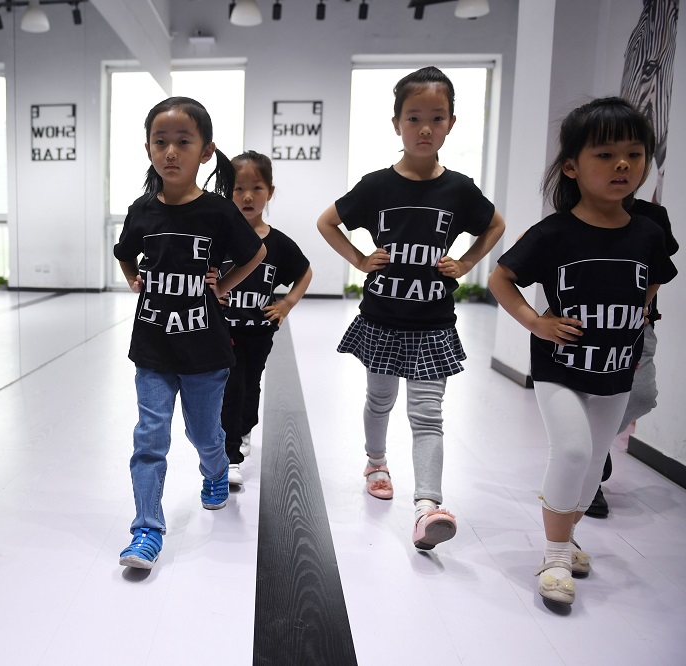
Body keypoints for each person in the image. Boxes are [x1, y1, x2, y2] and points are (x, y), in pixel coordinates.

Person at [488, 97, 677, 607]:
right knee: (571, 451)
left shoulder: (649, 228)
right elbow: (501, 278)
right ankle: (553, 555)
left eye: (634, 154)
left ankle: (568, 538)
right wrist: (537, 323)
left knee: (594, 464)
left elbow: (654, 277)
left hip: (617, 370)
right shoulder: (553, 232)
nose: (622, 165)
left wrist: (634, 320)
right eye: (605, 154)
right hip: (560, 368)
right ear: (572, 166)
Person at [317, 66, 505, 550]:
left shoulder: (459, 189)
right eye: (414, 117)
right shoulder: (377, 186)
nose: (425, 127)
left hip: (432, 323)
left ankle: (427, 506)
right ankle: (376, 461)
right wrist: (360, 259)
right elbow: (327, 222)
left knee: (427, 413)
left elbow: (495, 225)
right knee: (380, 400)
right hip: (382, 318)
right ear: (397, 123)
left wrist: (465, 262)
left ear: (451, 124)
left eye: (436, 118)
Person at [113, 97, 266, 569]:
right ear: (148, 149)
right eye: (161, 143)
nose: (171, 152)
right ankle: (146, 530)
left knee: (204, 434)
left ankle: (216, 472)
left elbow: (254, 254)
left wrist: (222, 285)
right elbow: (125, 252)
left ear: (206, 151)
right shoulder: (142, 210)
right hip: (154, 348)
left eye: (183, 142)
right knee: (150, 438)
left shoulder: (218, 212)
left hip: (205, 350)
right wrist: (131, 278)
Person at [218, 151, 312, 486]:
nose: (247, 196)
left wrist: (286, 303)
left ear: (269, 192)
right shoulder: (220, 238)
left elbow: (304, 272)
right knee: (230, 386)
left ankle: (242, 429)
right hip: (221, 331)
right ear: (227, 191)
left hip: (258, 333)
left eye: (256, 188)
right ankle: (229, 455)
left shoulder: (279, 243)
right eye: (239, 188)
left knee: (248, 386)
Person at [586, 198, 678, 517]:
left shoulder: (652, 216)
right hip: (587, 323)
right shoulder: (579, 207)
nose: (622, 165)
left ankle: (594, 443)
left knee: (641, 395)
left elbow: (661, 267)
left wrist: (644, 307)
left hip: (638, 323)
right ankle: (591, 476)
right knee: (592, 397)